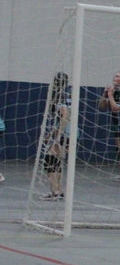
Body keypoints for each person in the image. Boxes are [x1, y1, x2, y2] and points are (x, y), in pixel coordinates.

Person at [40, 72, 71, 200]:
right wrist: (52, 134)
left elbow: (65, 116)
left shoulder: (59, 96)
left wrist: (58, 137)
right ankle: (58, 191)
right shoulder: (67, 95)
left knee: (49, 160)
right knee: (56, 161)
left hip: (65, 133)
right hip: (70, 132)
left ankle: (56, 192)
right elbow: (61, 120)